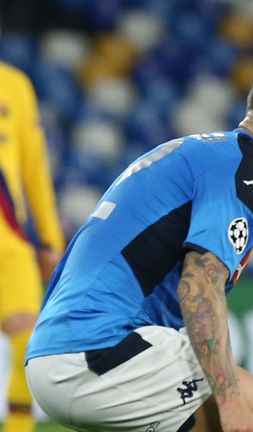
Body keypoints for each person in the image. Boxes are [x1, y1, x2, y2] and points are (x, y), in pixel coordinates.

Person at [25, 64, 253, 432]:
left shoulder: (206, 154)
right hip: (101, 348)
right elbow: (198, 285)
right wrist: (232, 406)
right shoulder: (243, 171)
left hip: (60, 354)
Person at [0, 60, 65, 432]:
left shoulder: (14, 85)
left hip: (9, 244)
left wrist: (49, 240)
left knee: (30, 346)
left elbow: (34, 168)